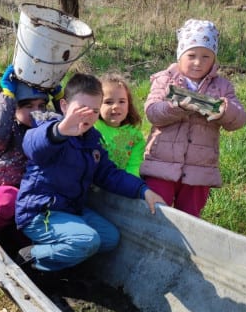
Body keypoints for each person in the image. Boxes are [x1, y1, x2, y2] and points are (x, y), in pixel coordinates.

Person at [14, 73, 165, 273]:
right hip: (40, 212)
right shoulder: (50, 129)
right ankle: (30, 257)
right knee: (87, 240)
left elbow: (109, 174)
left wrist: (142, 189)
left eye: (94, 110)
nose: (87, 116)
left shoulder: (92, 140)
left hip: (71, 209)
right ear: (65, 106)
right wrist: (61, 130)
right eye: (80, 110)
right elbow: (33, 145)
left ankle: (61, 253)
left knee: (110, 239)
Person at [141, 19, 246, 218]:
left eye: (206, 56)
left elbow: (240, 119)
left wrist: (224, 110)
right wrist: (177, 107)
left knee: (190, 219)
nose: (198, 62)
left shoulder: (222, 87)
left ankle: (183, 250)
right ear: (180, 55)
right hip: (161, 165)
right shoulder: (165, 79)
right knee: (154, 213)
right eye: (191, 55)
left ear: (214, 59)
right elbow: (152, 112)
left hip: (200, 171)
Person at [0, 65, 63, 233]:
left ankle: (16, 243)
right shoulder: (7, 129)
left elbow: (70, 131)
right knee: (8, 199)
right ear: (14, 107)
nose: (36, 112)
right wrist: (7, 96)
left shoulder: (42, 132)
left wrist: (60, 99)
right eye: (28, 106)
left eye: (41, 106)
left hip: (26, 201)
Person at [94, 72, 145, 177]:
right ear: (96, 104)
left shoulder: (135, 136)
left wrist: (129, 185)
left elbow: (134, 166)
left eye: (122, 101)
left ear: (129, 105)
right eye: (108, 102)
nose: (116, 106)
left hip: (122, 184)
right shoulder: (92, 127)